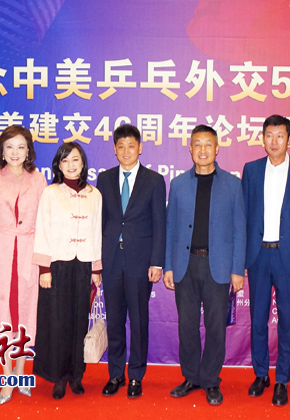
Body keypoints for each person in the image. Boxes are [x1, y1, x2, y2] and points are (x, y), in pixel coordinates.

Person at [163, 124, 246, 406]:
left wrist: (237, 269)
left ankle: (210, 380)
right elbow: (170, 227)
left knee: (215, 327)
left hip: (218, 267)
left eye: (208, 144)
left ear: (217, 148)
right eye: (197, 144)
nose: (202, 150)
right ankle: (191, 377)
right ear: (190, 148)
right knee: (186, 326)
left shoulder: (233, 185)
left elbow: (240, 230)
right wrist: (168, 266)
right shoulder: (178, 184)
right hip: (185, 265)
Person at [241, 115, 290, 406]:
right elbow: (243, 216)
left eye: (280, 135)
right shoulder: (251, 170)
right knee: (258, 319)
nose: (274, 141)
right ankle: (261, 374)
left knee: (287, 321)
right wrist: (241, 259)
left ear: (289, 139)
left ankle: (282, 378)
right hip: (258, 255)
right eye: (269, 135)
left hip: (289, 258)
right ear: (262, 138)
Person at [0, 125, 47, 404]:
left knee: (26, 315)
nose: (15, 152)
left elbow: (44, 223)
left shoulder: (39, 179)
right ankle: (7, 376)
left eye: (21, 147)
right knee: (3, 317)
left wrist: (44, 261)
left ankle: (21, 372)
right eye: (9, 147)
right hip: (2, 253)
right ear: (2, 151)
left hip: (30, 253)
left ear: (28, 150)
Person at [97, 124, 166, 398]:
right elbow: (100, 221)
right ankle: (116, 374)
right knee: (114, 320)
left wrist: (157, 262)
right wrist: (97, 262)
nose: (126, 151)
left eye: (131, 146)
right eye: (121, 146)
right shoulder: (104, 179)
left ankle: (136, 375)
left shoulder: (154, 180)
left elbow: (160, 223)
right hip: (111, 260)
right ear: (114, 150)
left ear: (140, 148)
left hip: (140, 261)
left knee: (138, 321)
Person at [33, 142, 103, 400]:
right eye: (65, 161)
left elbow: (97, 232)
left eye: (75, 159)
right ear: (58, 165)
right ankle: (59, 376)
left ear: (83, 163)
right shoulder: (51, 192)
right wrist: (44, 268)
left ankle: (76, 375)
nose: (71, 165)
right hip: (57, 265)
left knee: (79, 321)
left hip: (84, 264)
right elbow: (42, 230)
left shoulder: (95, 194)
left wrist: (96, 269)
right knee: (58, 321)